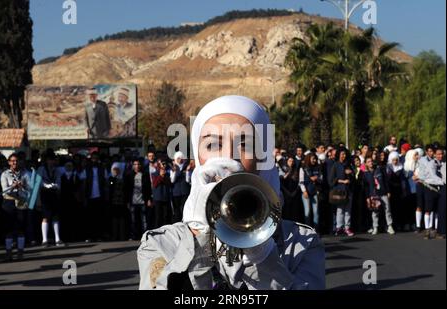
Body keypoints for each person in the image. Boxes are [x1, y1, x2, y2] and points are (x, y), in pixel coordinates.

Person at [137, 95, 325, 290]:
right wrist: (199, 237)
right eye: (212, 145)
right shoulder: (160, 243)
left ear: (263, 158)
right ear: (198, 156)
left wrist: (261, 253)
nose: (228, 156)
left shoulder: (302, 242)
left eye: (245, 144)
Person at [0, 154, 31, 261]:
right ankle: (9, 253)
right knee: (8, 229)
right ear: (9, 162)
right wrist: (13, 186)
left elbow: (30, 190)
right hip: (8, 202)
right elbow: (4, 190)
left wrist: (22, 187)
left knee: (20, 229)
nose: (15, 163)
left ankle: (20, 253)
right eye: (12, 161)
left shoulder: (25, 173)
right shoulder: (4, 174)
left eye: (17, 161)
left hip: (21, 202)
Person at [38, 153, 65, 247]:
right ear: (46, 160)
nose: (51, 162)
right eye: (49, 160)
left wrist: (55, 185)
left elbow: (59, 181)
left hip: (54, 194)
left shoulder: (56, 170)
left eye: (53, 160)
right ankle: (44, 240)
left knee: (55, 216)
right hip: (44, 194)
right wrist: (46, 185)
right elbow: (39, 181)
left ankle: (57, 239)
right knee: (45, 217)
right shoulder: (41, 169)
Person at [80, 151, 108, 242]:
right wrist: (84, 197)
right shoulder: (86, 169)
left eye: (96, 158)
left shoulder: (102, 169)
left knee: (99, 218)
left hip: (100, 196)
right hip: (89, 197)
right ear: (90, 159)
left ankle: (99, 236)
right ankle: (89, 236)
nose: (94, 160)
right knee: (89, 218)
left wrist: (106, 195)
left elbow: (106, 182)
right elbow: (84, 183)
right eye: (93, 158)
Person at [364, 157, 395, 235]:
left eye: (371, 161)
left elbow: (385, 180)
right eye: (368, 161)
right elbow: (366, 187)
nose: (370, 163)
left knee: (387, 209)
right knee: (375, 211)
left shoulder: (379, 169)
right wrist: (368, 197)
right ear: (366, 164)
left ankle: (389, 226)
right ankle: (375, 227)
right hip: (373, 194)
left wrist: (388, 191)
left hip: (382, 192)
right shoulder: (366, 173)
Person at [418, 145, 443, 239]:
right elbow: (432, 176)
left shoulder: (440, 162)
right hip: (429, 186)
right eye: (438, 154)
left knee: (437, 210)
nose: (439, 155)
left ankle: (436, 230)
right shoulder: (430, 163)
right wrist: (443, 182)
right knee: (428, 209)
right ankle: (427, 230)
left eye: (441, 154)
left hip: (438, 187)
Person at [329, 148, 354, 236]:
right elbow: (331, 180)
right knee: (340, 210)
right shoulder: (335, 165)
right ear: (338, 155)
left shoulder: (348, 165)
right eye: (342, 154)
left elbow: (353, 178)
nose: (344, 156)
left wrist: (350, 173)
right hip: (339, 190)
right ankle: (339, 227)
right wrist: (342, 181)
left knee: (348, 210)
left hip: (348, 190)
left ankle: (347, 228)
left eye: (345, 154)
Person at [125, 159, 153, 240]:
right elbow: (126, 189)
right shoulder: (129, 175)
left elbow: (148, 188)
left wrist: (149, 199)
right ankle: (134, 236)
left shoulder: (145, 174)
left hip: (143, 200)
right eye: (135, 164)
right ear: (133, 165)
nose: (137, 166)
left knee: (144, 220)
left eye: (138, 164)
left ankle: (145, 236)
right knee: (133, 220)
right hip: (133, 201)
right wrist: (127, 201)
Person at [299, 153, 322, 230]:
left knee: (316, 212)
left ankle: (316, 229)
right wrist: (304, 191)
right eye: (313, 159)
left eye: (315, 159)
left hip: (315, 192)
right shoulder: (303, 168)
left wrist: (316, 178)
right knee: (307, 212)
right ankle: (308, 230)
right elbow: (301, 181)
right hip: (306, 193)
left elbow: (321, 178)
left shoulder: (318, 168)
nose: (314, 160)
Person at [386, 151, 407, 231]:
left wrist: (404, 190)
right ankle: (392, 224)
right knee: (391, 207)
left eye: (396, 160)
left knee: (399, 207)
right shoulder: (388, 167)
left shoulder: (401, 167)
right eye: (393, 160)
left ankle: (399, 224)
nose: (395, 161)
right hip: (391, 190)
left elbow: (403, 181)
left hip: (399, 190)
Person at [108, 163, 128, 241]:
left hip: (122, 201)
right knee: (114, 220)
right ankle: (115, 236)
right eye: (114, 169)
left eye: (117, 169)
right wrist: (113, 178)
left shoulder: (124, 178)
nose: (116, 171)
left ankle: (122, 236)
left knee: (122, 220)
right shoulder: (111, 178)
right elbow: (110, 186)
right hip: (113, 202)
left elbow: (126, 189)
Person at [170, 151, 191, 223]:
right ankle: (177, 223)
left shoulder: (186, 166)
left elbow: (188, 181)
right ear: (175, 159)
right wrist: (174, 172)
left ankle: (185, 222)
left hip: (185, 191)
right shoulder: (173, 167)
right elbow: (172, 181)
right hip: (176, 192)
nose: (180, 160)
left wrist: (188, 171)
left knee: (184, 208)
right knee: (177, 209)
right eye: (178, 158)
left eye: (181, 158)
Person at [151, 161, 171, 229]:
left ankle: (165, 230)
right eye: (162, 164)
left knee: (165, 215)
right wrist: (160, 176)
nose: (164, 165)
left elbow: (169, 184)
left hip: (165, 197)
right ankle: (157, 230)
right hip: (158, 198)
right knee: (158, 216)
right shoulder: (154, 174)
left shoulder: (167, 174)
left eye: (165, 164)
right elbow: (155, 184)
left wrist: (164, 176)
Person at [280, 156, 301, 222]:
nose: (291, 163)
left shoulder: (296, 170)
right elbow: (281, 182)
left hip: (295, 193)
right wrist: (288, 172)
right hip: (286, 193)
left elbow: (299, 182)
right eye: (289, 161)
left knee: (294, 211)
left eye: (292, 161)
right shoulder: (283, 170)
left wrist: (295, 191)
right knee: (287, 211)